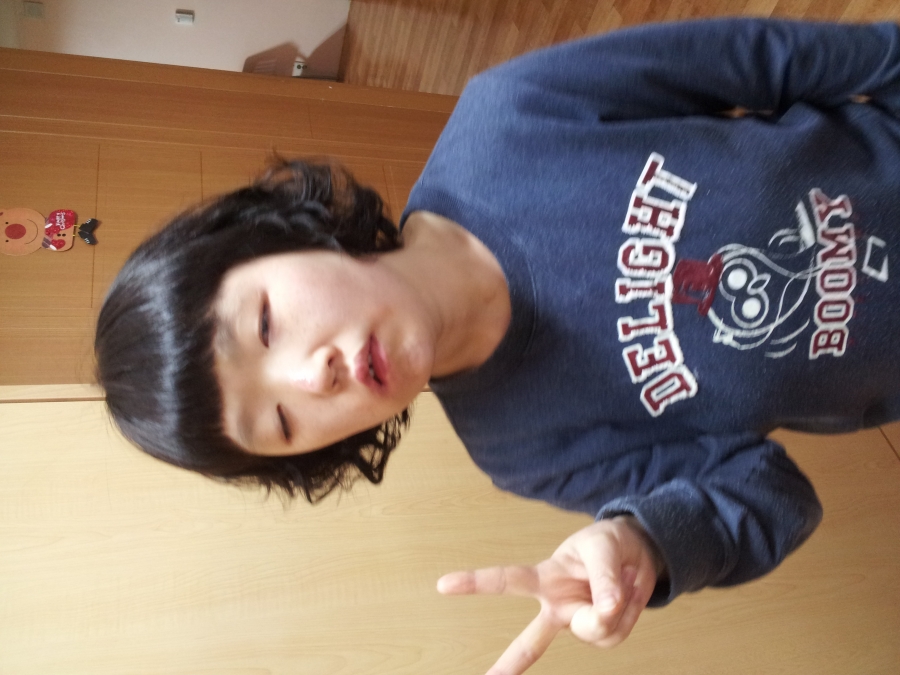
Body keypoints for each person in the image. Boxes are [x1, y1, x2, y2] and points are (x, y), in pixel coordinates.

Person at [95, 17, 900, 675]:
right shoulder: (524, 451)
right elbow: (776, 496)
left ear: (279, 237)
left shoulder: (511, 117)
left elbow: (762, 60)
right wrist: (648, 540)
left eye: (266, 324)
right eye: (281, 422)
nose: (314, 375)